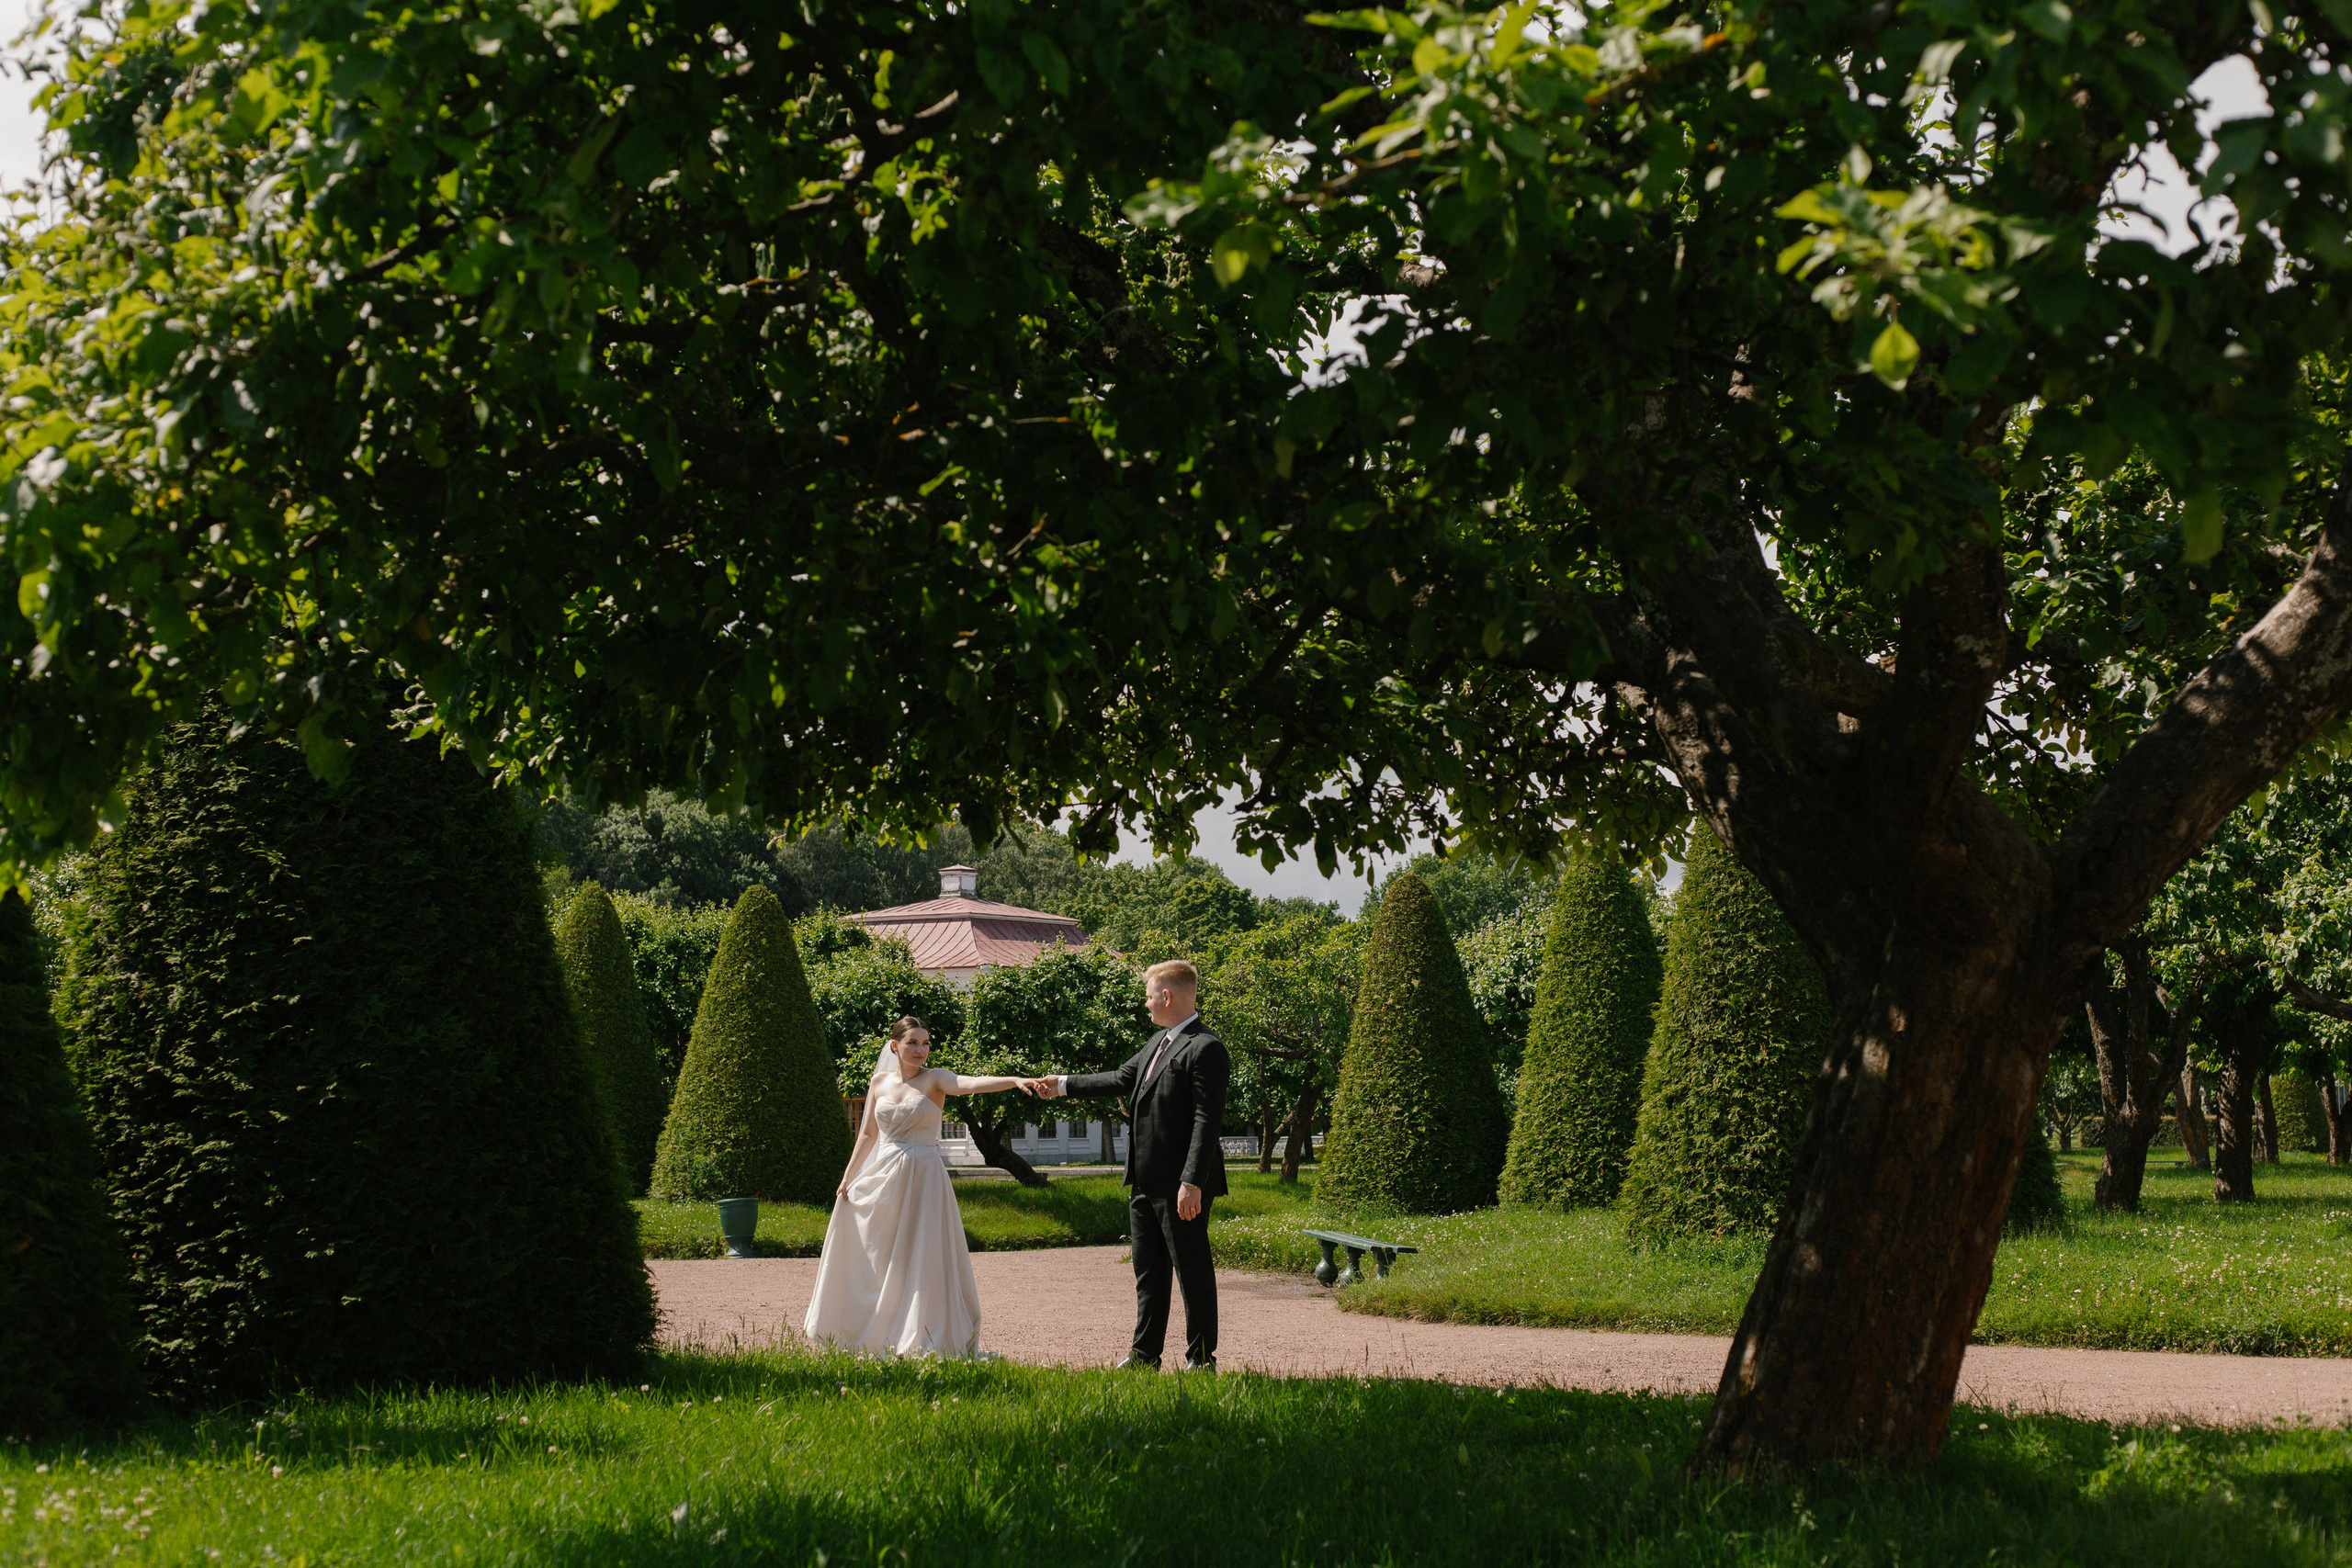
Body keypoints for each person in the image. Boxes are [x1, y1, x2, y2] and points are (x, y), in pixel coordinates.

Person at [1034, 959, 1229, 1371]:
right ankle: (1144, 1356)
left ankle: (1200, 1359)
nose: (1145, 1003)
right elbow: (1121, 1079)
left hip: (1182, 1186)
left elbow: (1206, 1121)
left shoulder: (1205, 1047)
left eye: (1148, 996)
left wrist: (1192, 1181)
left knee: (1192, 1273)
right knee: (1149, 1274)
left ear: (1166, 996)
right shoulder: (1158, 1042)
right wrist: (1062, 1084)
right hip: (1144, 1181)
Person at [802, 1016, 1038, 1357]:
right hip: (884, 1175)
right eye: (912, 1042)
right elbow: (867, 1134)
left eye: (925, 1043)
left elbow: (970, 1083)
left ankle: (920, 1334)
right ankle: (869, 1331)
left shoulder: (936, 1079)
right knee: (880, 1253)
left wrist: (1013, 1080)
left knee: (922, 1254)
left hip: (924, 1177)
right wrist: (848, 1177)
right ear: (894, 1046)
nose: (920, 1050)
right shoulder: (879, 1082)